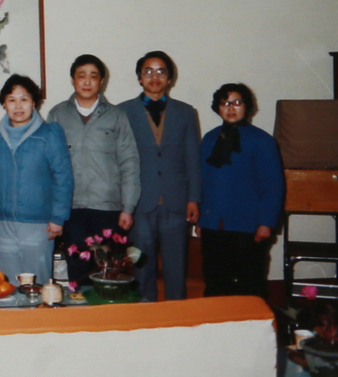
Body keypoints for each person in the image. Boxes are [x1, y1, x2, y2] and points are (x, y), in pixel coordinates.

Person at [47, 54, 140, 285]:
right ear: (73, 80)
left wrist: (128, 207)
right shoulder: (58, 114)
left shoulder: (116, 116)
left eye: (93, 76)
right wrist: (53, 209)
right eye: (81, 76)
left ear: (102, 81)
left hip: (108, 208)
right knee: (78, 273)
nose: (87, 81)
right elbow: (48, 165)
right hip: (71, 208)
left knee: (108, 273)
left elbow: (129, 162)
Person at [119, 51, 201, 301]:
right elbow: (118, 161)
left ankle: (177, 314)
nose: (154, 77)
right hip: (139, 203)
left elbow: (193, 160)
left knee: (176, 267)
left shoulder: (186, 112)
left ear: (170, 78)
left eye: (161, 71)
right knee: (141, 265)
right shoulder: (122, 112)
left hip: (176, 202)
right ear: (139, 77)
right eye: (148, 71)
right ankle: (145, 312)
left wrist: (194, 198)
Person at [0, 75, 73, 285]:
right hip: (2, 223)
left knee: (37, 287)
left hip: (39, 225)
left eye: (24, 99)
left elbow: (63, 177)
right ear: (4, 104)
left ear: (34, 103)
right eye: (12, 100)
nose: (18, 106)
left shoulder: (49, 133)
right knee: (7, 286)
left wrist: (58, 218)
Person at [199, 83, 284, 298]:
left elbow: (273, 185)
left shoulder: (262, 140)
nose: (231, 108)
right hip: (213, 224)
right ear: (218, 108)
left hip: (249, 226)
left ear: (247, 106)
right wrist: (201, 220)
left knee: (250, 283)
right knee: (215, 281)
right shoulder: (209, 139)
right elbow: (203, 182)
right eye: (225, 103)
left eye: (237, 102)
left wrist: (266, 223)